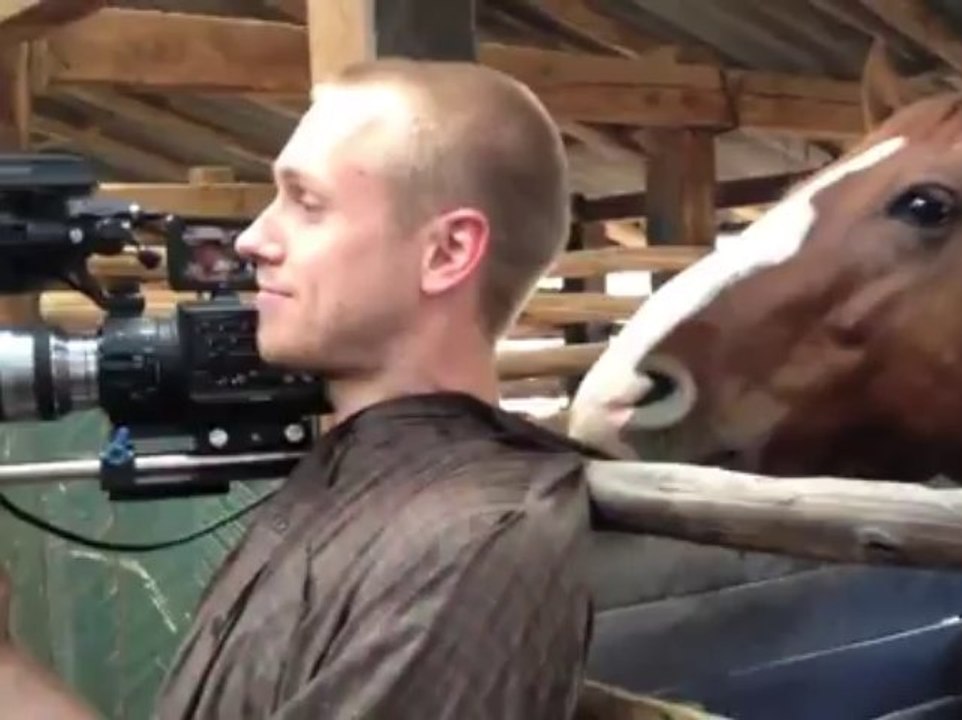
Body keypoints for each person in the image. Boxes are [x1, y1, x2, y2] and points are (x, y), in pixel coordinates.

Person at [0, 58, 597, 719]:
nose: (253, 239)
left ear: (447, 252)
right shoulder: (348, 478)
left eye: (306, 203)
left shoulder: (474, 545)